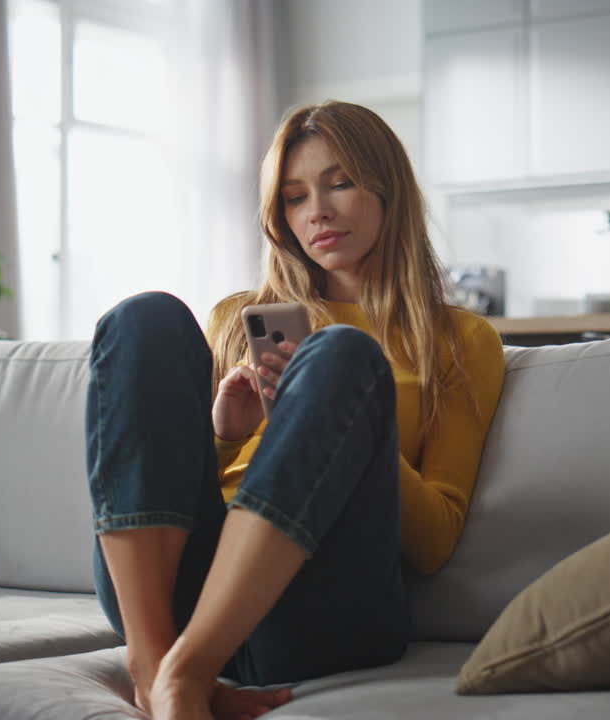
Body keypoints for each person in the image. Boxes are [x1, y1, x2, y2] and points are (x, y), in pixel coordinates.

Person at [84, 101, 506, 720]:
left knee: (340, 354)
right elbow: (167, 463)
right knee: (142, 318)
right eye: (294, 197)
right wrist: (226, 437)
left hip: (322, 610)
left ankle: (187, 669)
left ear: (389, 190)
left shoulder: (460, 339)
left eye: (340, 184)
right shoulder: (238, 318)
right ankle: (157, 668)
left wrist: (356, 425)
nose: (319, 212)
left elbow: (436, 540)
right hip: (184, 594)